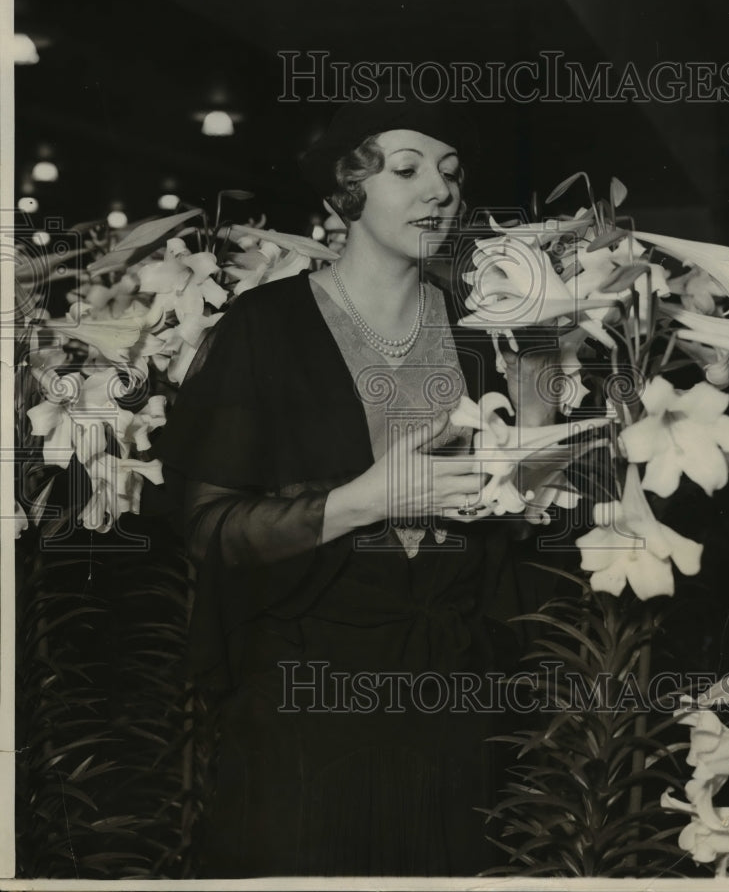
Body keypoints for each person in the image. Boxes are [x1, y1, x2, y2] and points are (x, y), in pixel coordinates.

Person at [155, 96, 556, 877]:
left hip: (455, 691)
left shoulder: (486, 331)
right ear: (348, 193)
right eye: (405, 170)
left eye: (451, 173)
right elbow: (209, 525)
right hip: (307, 689)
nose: (438, 191)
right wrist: (369, 500)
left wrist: (535, 423)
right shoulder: (265, 327)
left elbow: (512, 524)